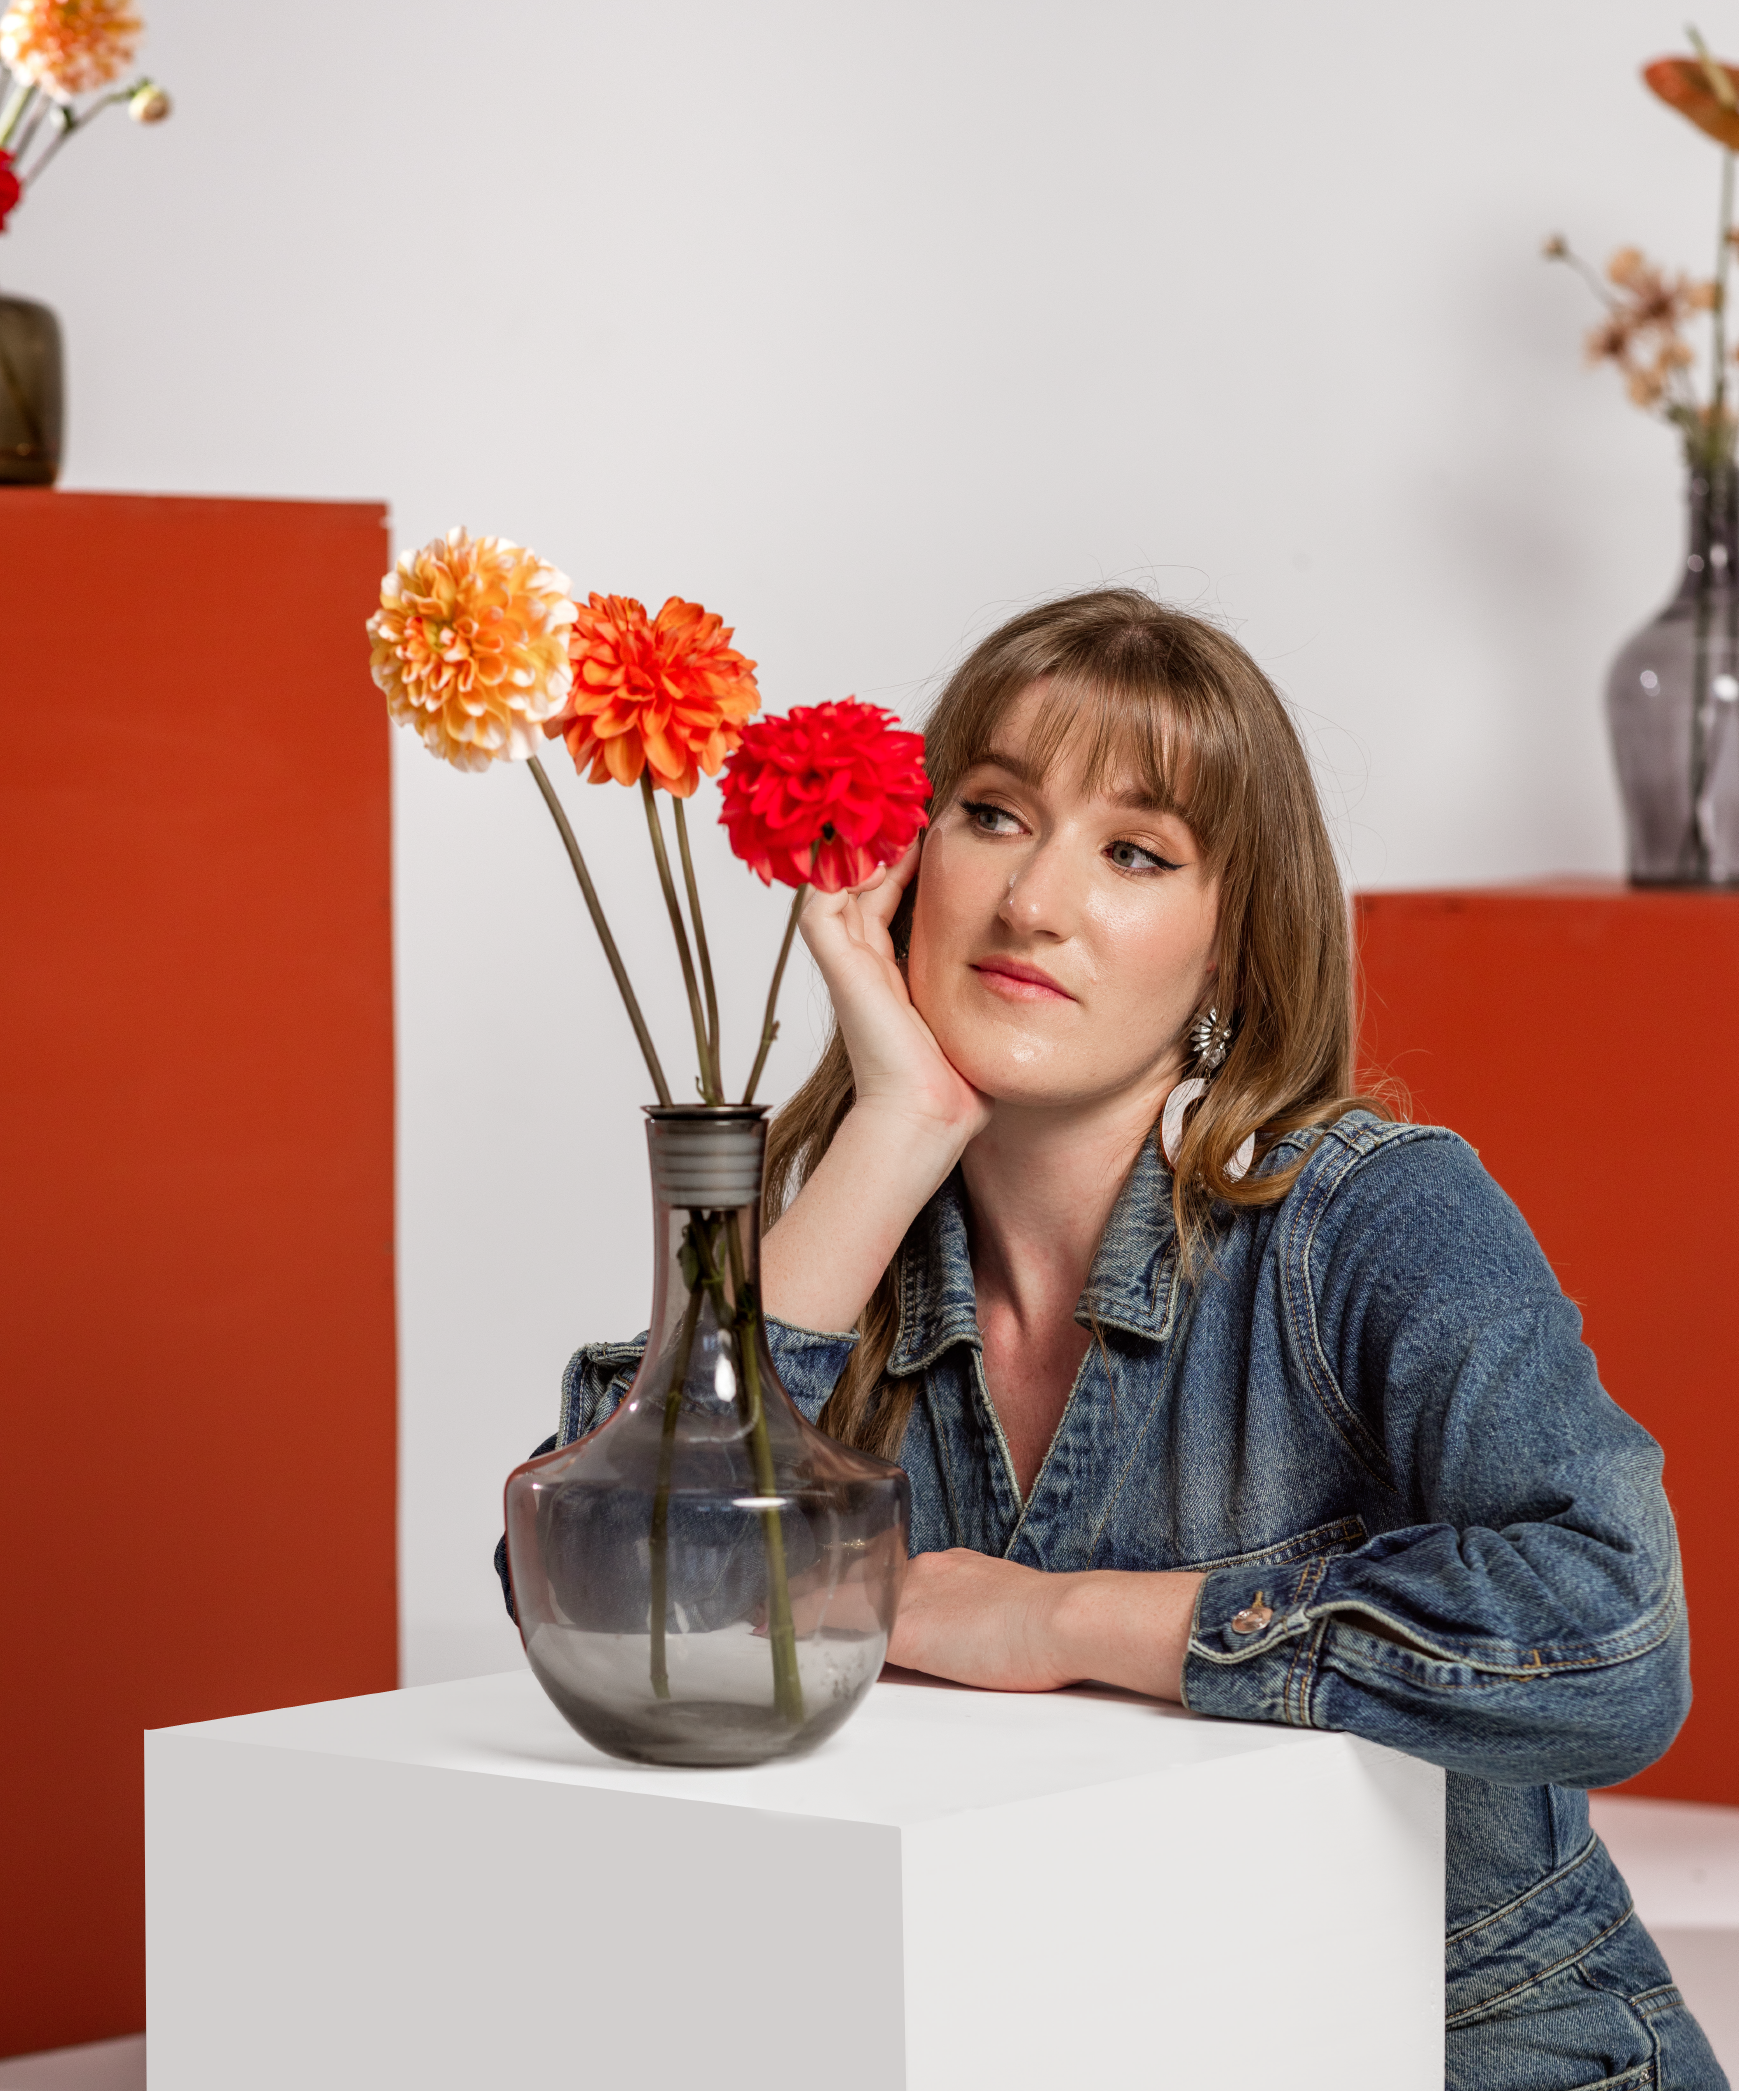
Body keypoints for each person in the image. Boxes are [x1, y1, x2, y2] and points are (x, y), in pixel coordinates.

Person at [503, 590, 1725, 2089]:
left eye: (1134, 852)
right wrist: (894, 1131)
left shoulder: (1369, 1216)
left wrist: (1061, 1618)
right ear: (902, 864)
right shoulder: (855, 1257)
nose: (1033, 903)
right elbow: (608, 1593)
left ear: (1224, 955)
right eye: (993, 815)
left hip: (1451, 2033)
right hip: (1061, 2029)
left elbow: (1610, 1636)